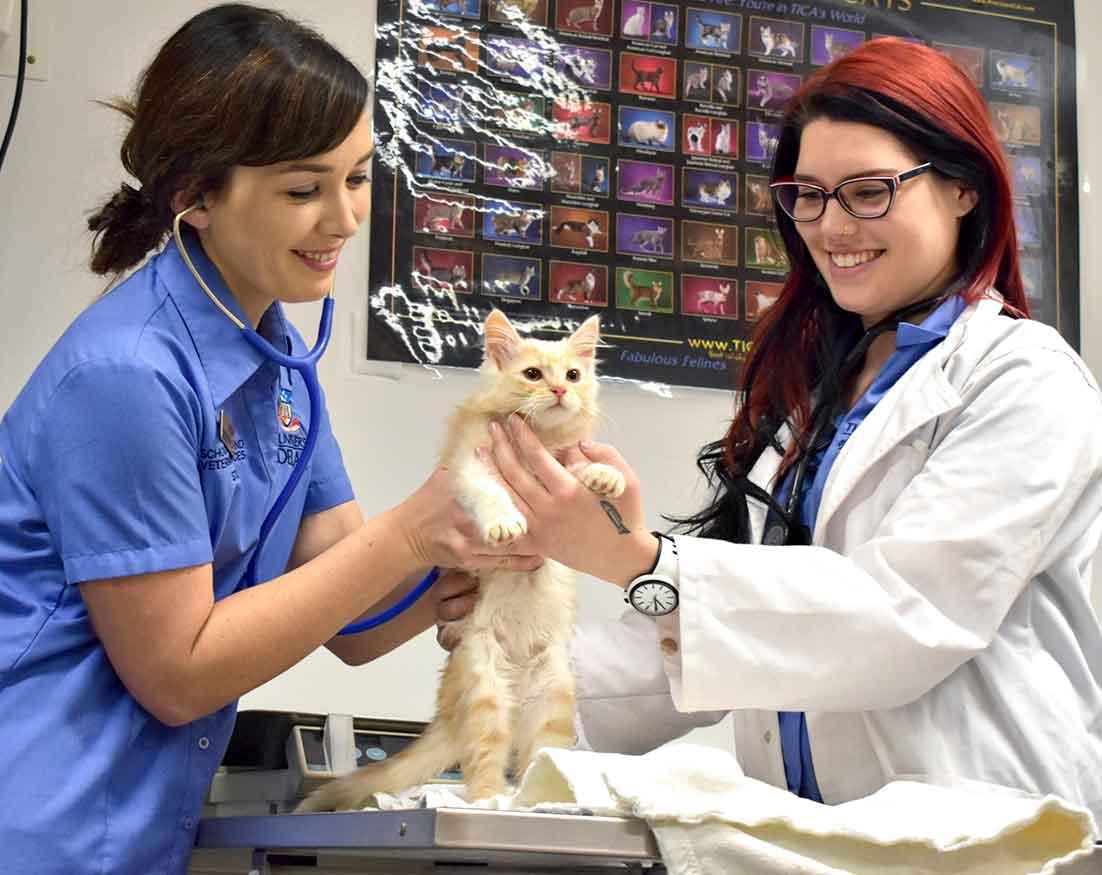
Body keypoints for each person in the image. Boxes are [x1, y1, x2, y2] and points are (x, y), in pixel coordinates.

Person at [0, 6, 534, 874]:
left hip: (135, 832)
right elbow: (177, 673)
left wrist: (469, 557)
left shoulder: (276, 354)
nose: (344, 219)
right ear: (196, 194)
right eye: (304, 189)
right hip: (26, 829)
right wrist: (415, 529)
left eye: (358, 177)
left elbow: (355, 615)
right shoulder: (127, 376)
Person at [441, 37, 1102, 819]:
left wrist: (639, 561)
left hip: (987, 836)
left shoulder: (1024, 379)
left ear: (962, 188)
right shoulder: (813, 402)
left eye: (868, 190)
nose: (832, 227)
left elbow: (904, 618)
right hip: (815, 837)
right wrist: (519, 656)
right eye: (809, 195)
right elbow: (732, 648)